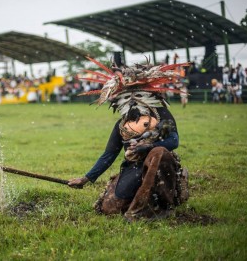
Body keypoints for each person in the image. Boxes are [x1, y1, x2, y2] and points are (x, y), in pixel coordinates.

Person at [68, 58, 189, 222]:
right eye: (127, 95)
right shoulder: (121, 125)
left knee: (158, 152)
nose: (132, 99)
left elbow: (174, 141)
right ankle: (139, 201)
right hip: (134, 167)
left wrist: (149, 147)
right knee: (110, 207)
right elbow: (109, 154)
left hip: (160, 164)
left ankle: (154, 207)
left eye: (138, 93)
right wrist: (87, 178)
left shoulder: (161, 114)